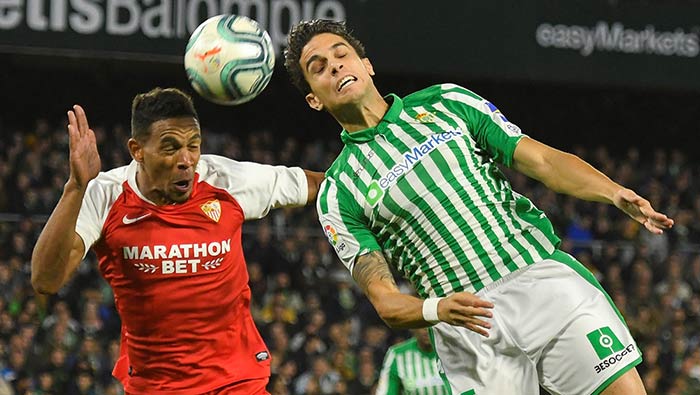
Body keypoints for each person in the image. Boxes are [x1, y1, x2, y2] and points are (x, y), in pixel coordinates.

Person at [283, 20, 674, 395]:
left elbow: (541, 161)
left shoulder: (447, 103)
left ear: (366, 65)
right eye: (319, 68)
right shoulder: (337, 191)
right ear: (314, 99)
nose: (334, 66)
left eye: (341, 55)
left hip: (540, 281)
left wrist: (612, 192)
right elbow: (385, 301)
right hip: (465, 324)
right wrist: (438, 309)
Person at [30, 88, 325, 395]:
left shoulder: (224, 180)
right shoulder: (105, 195)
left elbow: (320, 184)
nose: (186, 160)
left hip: (237, 383)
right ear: (138, 150)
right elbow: (46, 279)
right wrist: (75, 187)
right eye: (170, 147)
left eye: (193, 146)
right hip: (156, 387)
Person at [375, 328, 447, 395]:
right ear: (412, 328)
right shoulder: (397, 355)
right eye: (421, 324)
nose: (427, 329)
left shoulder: (454, 349)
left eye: (432, 323)